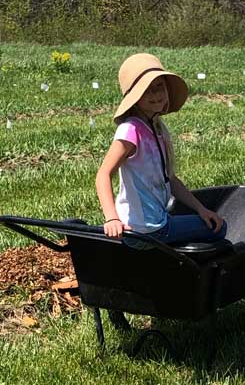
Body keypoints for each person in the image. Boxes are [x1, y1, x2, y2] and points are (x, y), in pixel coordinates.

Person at [96, 53, 227, 244]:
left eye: (159, 87)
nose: (156, 95)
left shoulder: (155, 130)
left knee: (209, 220)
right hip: (145, 230)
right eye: (147, 90)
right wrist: (112, 218)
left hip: (156, 222)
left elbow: (171, 179)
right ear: (135, 97)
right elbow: (103, 175)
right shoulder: (130, 130)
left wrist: (201, 210)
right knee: (220, 229)